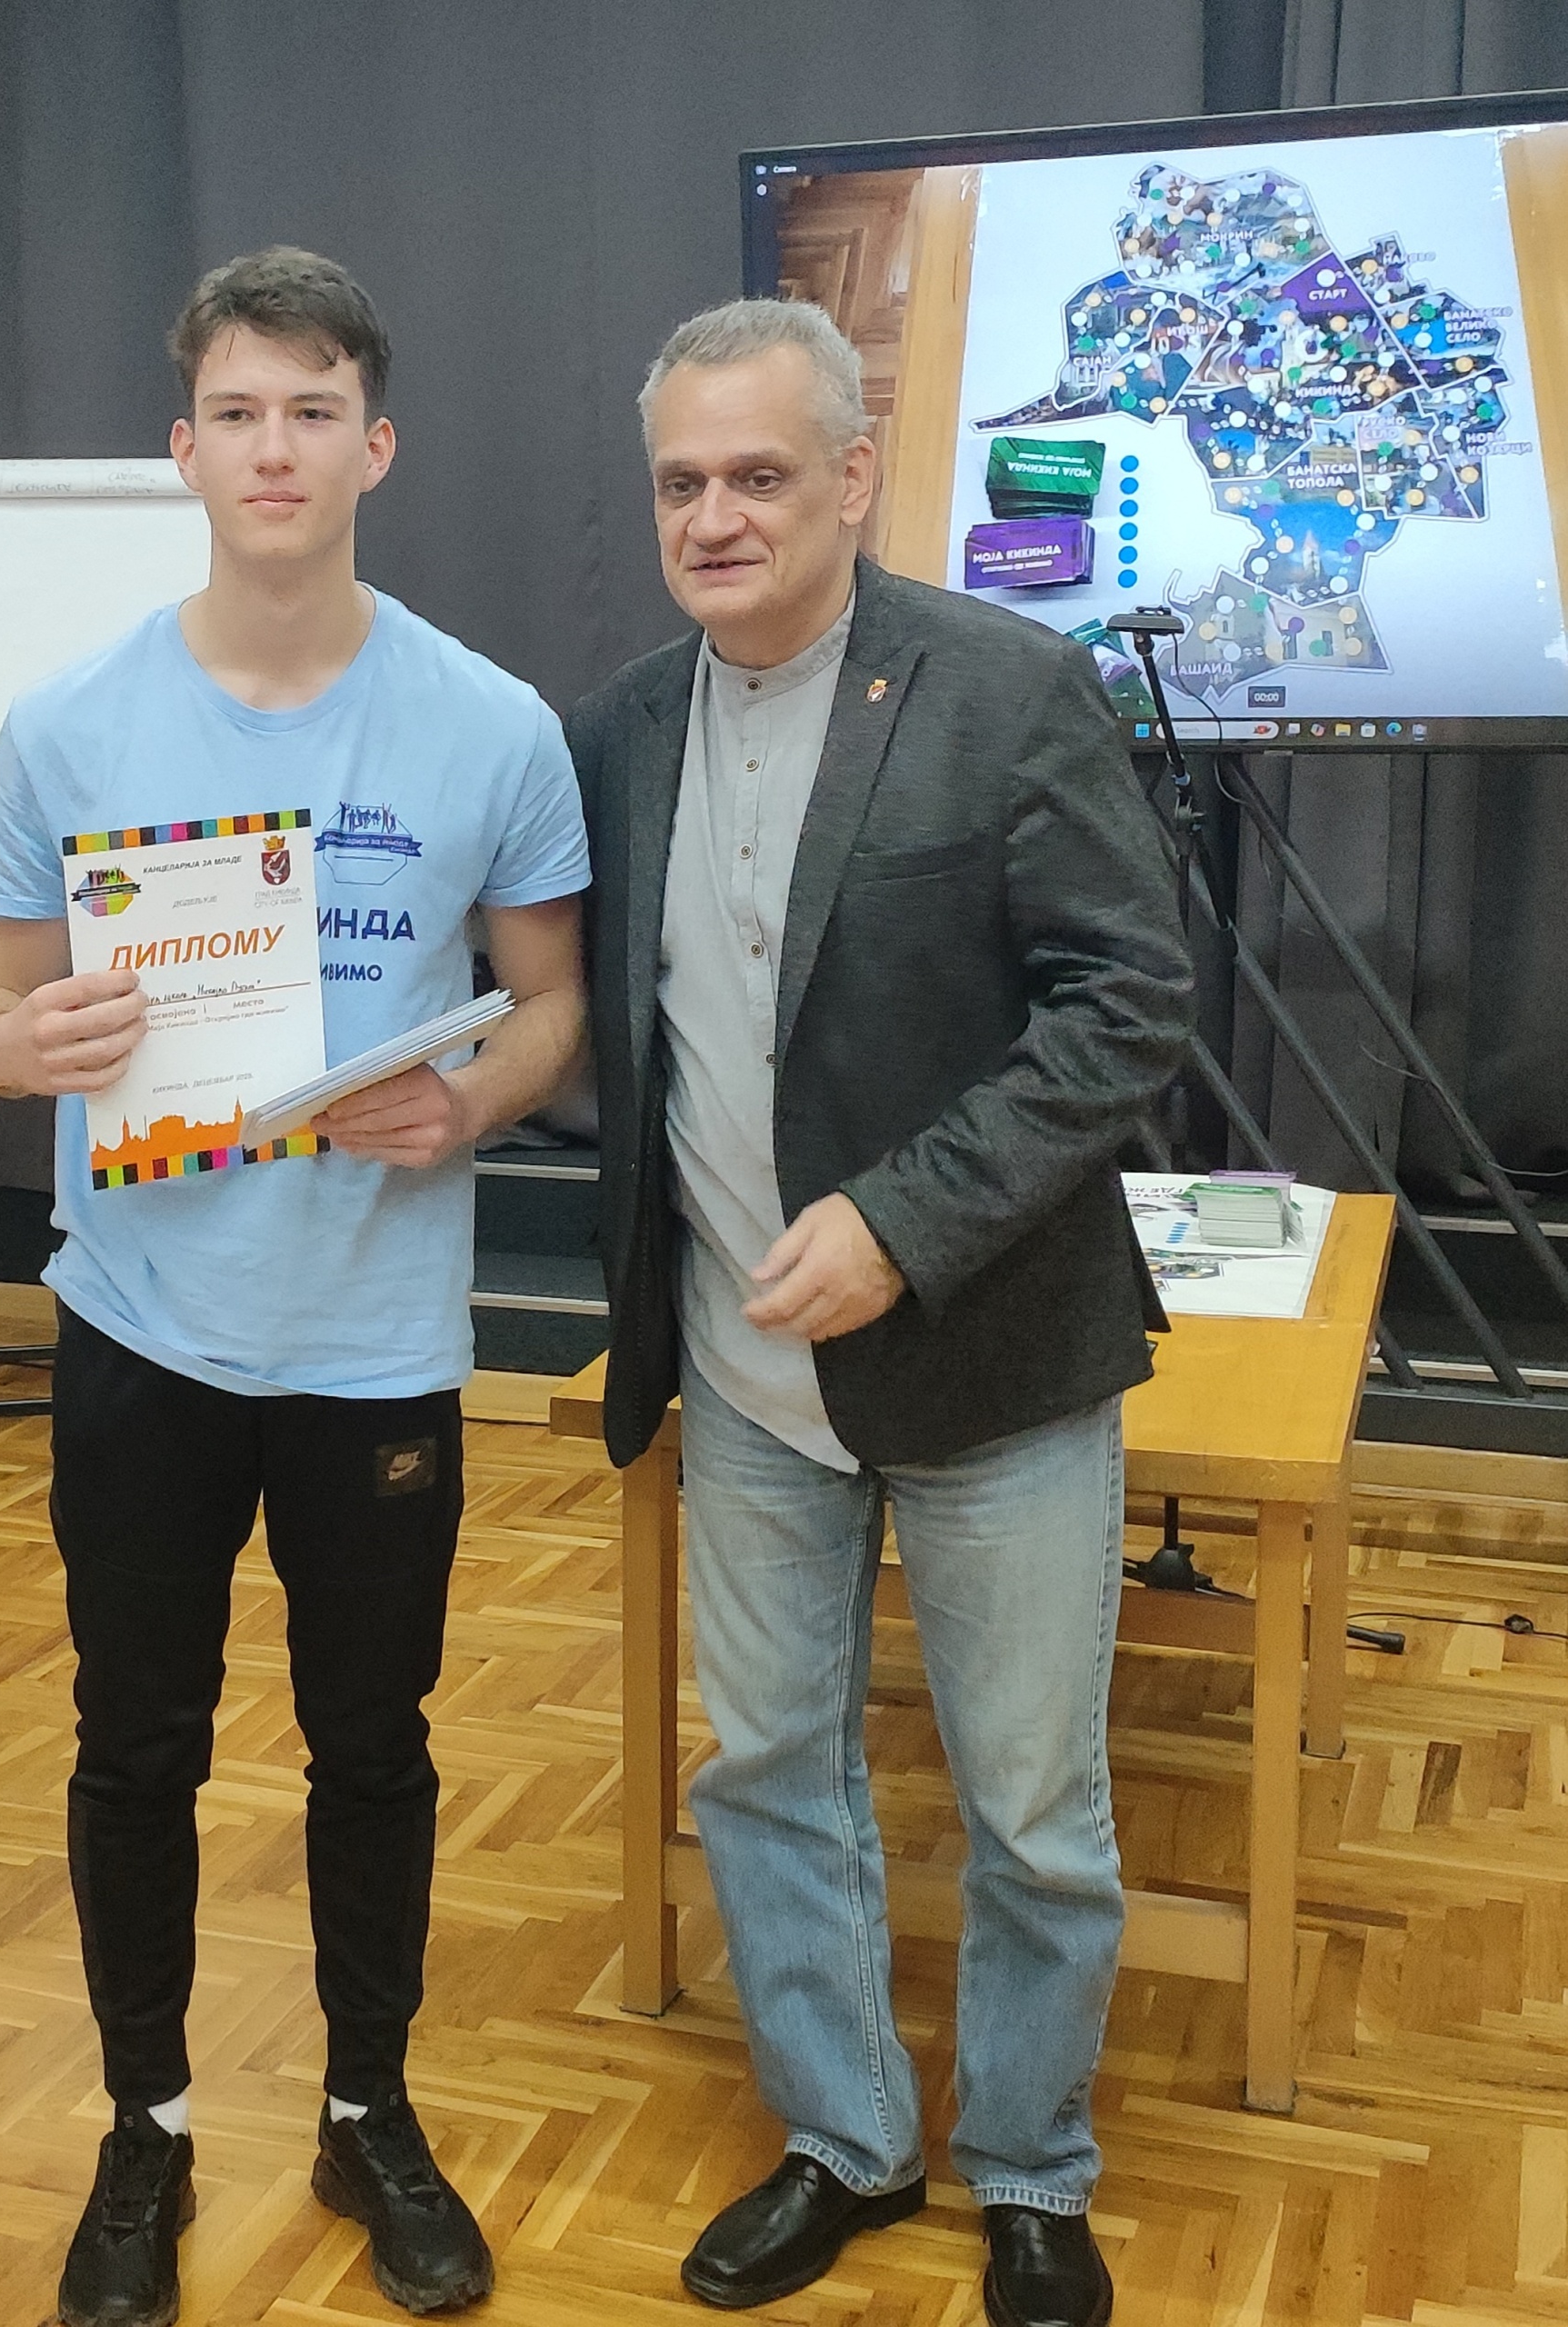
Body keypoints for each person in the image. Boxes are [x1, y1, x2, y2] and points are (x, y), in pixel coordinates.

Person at [0, 246, 589, 2327]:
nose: (275, 446)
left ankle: (365, 2108)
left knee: (373, 1742)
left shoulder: (489, 721)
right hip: (141, 1323)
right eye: (238, 410)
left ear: (374, 444)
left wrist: (470, 1099)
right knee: (134, 1743)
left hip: (376, 1341)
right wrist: (23, 1043)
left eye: (313, 408)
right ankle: (142, 2125)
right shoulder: (69, 722)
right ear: (184, 448)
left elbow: (551, 1003)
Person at [566, 299, 1193, 2325]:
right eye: (681, 482)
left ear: (851, 475)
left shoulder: (1005, 686)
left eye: (758, 474)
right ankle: (843, 2136)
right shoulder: (620, 730)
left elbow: (1128, 1006)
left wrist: (904, 1224)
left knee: (1031, 1807)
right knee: (766, 1772)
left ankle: (1028, 2163)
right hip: (743, 1374)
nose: (715, 517)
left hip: (990, 1361)